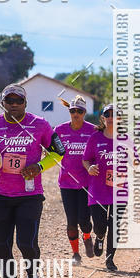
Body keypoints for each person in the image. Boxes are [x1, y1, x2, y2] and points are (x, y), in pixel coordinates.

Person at [0, 84, 65, 278]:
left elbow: (59, 151)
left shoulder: (40, 124)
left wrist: (39, 166)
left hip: (30, 195)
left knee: (26, 243)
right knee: (2, 247)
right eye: (9, 100)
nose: (14, 104)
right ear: (3, 103)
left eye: (18, 100)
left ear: (25, 103)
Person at [81, 104, 127, 272]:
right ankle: (99, 237)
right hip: (98, 189)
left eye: (114, 114)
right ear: (103, 118)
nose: (110, 117)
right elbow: (85, 159)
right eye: (107, 114)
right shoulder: (95, 138)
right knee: (100, 225)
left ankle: (110, 259)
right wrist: (89, 168)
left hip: (119, 189)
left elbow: (136, 161)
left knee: (115, 225)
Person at [55, 95, 97, 266]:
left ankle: (87, 236)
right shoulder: (60, 130)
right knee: (71, 221)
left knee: (84, 221)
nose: (76, 114)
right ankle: (75, 254)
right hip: (66, 182)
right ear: (69, 112)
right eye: (73, 111)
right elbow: (52, 149)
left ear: (84, 112)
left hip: (87, 182)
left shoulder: (93, 130)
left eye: (79, 111)